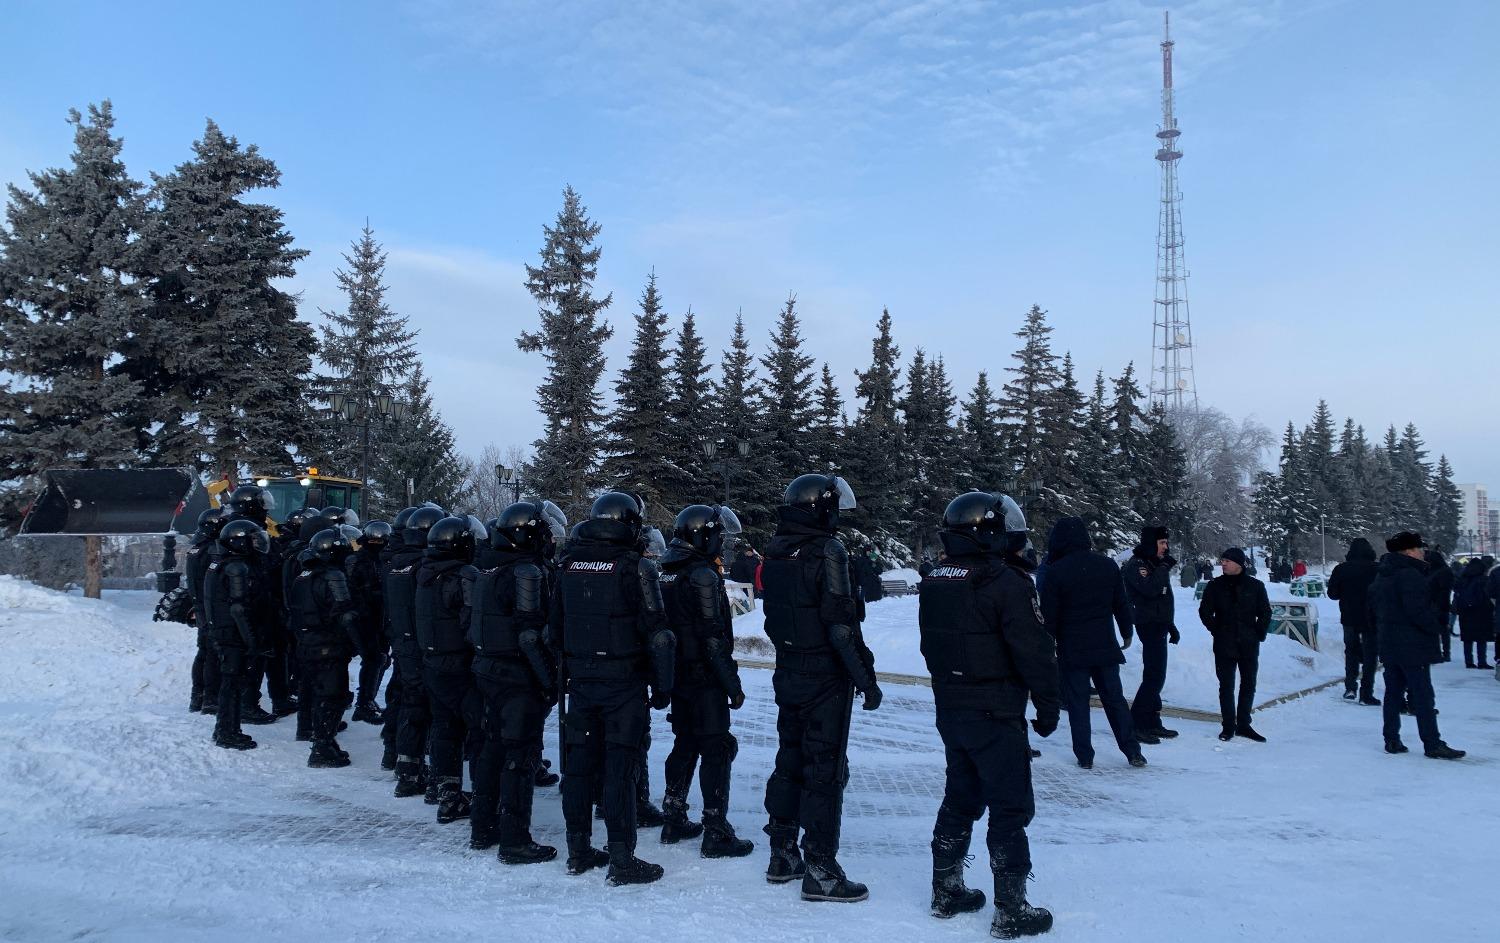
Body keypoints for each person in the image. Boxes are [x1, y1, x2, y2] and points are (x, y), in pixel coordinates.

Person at [919, 492, 1060, 938]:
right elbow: (1034, 650)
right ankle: (1011, 907)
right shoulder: (1007, 582)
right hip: (996, 707)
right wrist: (1048, 703)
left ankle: (946, 888)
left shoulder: (939, 577)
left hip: (952, 704)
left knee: (960, 795)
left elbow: (930, 644)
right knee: (1009, 805)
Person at [760, 473, 881, 903]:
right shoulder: (827, 550)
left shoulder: (778, 550)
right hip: (825, 675)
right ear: (821, 509)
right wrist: (865, 678)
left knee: (790, 759)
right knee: (824, 770)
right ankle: (821, 868)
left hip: (789, 667)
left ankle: (782, 852)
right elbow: (842, 626)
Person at [551, 492, 676, 886]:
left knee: (578, 768)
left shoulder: (568, 564)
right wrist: (663, 686)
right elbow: (658, 636)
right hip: (623, 683)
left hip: (582, 682)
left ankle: (578, 851)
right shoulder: (634, 567)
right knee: (620, 771)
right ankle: (622, 859)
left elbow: (553, 627)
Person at [468, 500, 564, 864]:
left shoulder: (487, 568)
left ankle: (483, 828)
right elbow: (528, 636)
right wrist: (547, 680)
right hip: (516, 674)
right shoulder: (525, 571)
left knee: (493, 749)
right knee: (520, 756)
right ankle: (514, 839)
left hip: (488, 669)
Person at [658, 504, 755, 858]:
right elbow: (713, 638)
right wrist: (732, 684)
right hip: (703, 676)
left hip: (679, 674)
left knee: (685, 743)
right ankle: (716, 829)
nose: (721, 543)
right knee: (716, 748)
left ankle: (674, 815)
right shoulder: (701, 575)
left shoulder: (668, 570)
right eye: (718, 536)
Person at [1038, 517, 1145, 769]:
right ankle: (1132, 750)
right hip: (1104, 645)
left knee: (1077, 703)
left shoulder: (1056, 571)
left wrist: (1046, 645)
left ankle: (1085, 756)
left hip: (1072, 648)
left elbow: (1049, 615)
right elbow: (1120, 602)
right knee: (1115, 700)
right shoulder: (1107, 565)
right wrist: (1126, 631)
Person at [415, 515, 485, 824]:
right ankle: (483, 796)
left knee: (444, 729)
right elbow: (471, 623)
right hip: (462, 664)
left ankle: (446, 792)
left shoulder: (425, 572)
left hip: (433, 662)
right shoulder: (464, 575)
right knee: (479, 729)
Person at [1371, 533, 1464, 759]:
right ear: (1409, 551)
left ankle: (1391, 739)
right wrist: (1435, 626)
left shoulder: (1383, 575)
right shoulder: (1410, 575)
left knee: (1393, 693)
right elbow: (1417, 611)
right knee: (1422, 695)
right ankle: (1432, 743)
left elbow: (1374, 608)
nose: (1423, 551)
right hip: (1412, 644)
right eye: (1419, 548)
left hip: (1390, 642)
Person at [288, 525, 363, 768]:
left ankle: (309, 731)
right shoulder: (332, 576)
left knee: (310, 689)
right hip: (328, 644)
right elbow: (345, 614)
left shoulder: (302, 576)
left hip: (306, 643)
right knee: (333, 695)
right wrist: (359, 645)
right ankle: (322, 745)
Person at [386, 504, 445, 798]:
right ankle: (434, 775)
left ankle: (406, 768)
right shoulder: (423, 567)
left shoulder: (396, 563)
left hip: (404, 642)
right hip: (424, 645)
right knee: (433, 707)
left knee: (410, 703)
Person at [202, 519, 272, 750]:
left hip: (222, 632)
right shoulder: (236, 568)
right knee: (232, 683)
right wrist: (252, 641)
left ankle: (228, 728)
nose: (257, 544)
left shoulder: (219, 563)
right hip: (233, 636)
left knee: (230, 683)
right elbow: (239, 608)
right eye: (252, 540)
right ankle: (227, 731)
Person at [1198, 548, 1272, 743]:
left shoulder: (1255, 586)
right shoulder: (1215, 586)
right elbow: (1205, 612)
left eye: (1227, 561)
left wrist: (1258, 634)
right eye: (1222, 560)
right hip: (1224, 643)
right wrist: (1216, 629)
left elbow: (1265, 612)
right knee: (1226, 685)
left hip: (1249, 643)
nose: (1223, 564)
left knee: (1249, 684)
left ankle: (1244, 724)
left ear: (1239, 564)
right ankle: (1228, 725)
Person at [1125, 525, 1178, 741]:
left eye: (1166, 542)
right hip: (1148, 624)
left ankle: (1152, 720)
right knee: (1154, 676)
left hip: (1159, 624)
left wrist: (1170, 624)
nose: (1166, 547)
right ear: (1151, 543)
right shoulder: (1138, 564)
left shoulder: (1153, 563)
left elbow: (1164, 599)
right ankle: (1137, 722)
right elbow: (1150, 590)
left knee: (1157, 675)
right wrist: (1163, 569)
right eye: (1162, 543)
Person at [347, 521, 393, 722]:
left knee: (379, 659)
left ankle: (367, 700)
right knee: (374, 659)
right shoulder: (357, 560)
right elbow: (353, 591)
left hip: (379, 618)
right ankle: (364, 701)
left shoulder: (383, 560)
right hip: (364, 619)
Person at [1327, 538, 1381, 704]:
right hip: (1371, 618)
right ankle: (1367, 692)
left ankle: (1350, 687)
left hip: (1349, 617)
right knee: (1370, 655)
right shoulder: (1377, 569)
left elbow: (1332, 594)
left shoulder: (1341, 569)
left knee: (1350, 651)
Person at [186, 507, 228, 715]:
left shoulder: (196, 547)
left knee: (204, 652)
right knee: (213, 653)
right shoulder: (211, 549)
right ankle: (210, 698)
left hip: (201, 606)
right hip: (210, 607)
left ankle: (198, 695)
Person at [1453, 557, 1494, 669]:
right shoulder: (1483, 579)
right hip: (1481, 612)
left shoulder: (1462, 579)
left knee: (1467, 638)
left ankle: (1469, 661)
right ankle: (1482, 661)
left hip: (1465, 612)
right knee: (1481, 638)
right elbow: (1487, 596)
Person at [1426, 548, 1455, 663]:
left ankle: (1443, 652)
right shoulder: (1441, 571)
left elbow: (1443, 590)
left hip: (1438, 605)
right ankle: (1441, 652)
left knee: (1441, 630)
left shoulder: (1438, 572)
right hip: (1438, 604)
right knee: (1441, 630)